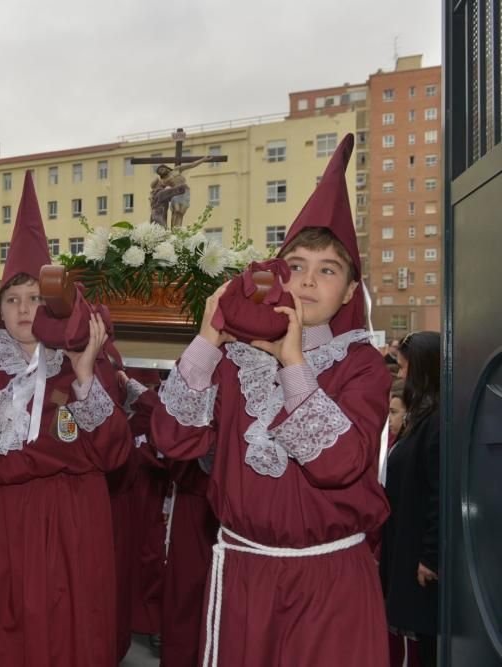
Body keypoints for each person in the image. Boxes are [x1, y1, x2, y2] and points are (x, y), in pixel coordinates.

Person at [144, 134, 391, 666]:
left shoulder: (361, 365)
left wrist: (294, 361)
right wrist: (209, 339)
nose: (307, 280)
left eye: (328, 270)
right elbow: (171, 439)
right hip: (243, 573)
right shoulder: (237, 362)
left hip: (330, 580)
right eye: (295, 265)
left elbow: (340, 463)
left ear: (350, 293)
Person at [0, 172, 133, 667]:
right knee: (9, 621)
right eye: (12, 299)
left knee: (70, 623)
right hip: (7, 511)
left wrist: (82, 378)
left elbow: (114, 451)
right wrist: (4, 411)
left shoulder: (83, 353)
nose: (23, 309)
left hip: (75, 512)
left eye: (35, 298)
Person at [380, 331, 441, 667]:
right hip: (407, 546)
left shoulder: (435, 423)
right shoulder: (421, 419)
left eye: (404, 368)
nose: (400, 375)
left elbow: (438, 493)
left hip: (422, 561)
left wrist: (431, 556)